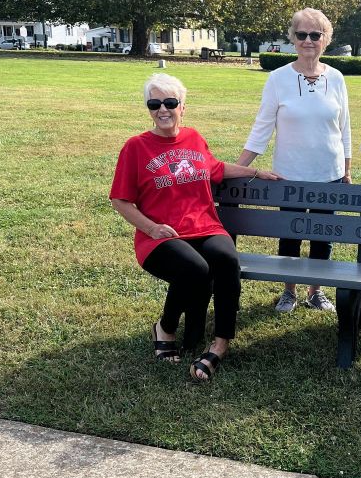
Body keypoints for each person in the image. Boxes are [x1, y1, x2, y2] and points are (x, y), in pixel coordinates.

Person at [110, 73, 279, 382]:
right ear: (148, 108)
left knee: (226, 260)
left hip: (204, 226)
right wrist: (152, 228)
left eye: (170, 102)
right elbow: (120, 200)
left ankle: (220, 343)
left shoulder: (194, 138)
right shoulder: (135, 147)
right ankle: (166, 327)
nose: (163, 109)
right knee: (194, 269)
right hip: (160, 237)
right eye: (155, 103)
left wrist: (254, 171)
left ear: (182, 107)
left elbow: (214, 168)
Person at [237, 8, 351, 313]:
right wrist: (237, 168)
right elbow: (261, 129)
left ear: (326, 39)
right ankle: (289, 291)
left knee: (322, 237)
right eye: (301, 35)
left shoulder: (337, 78)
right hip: (290, 176)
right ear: (293, 39)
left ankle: (316, 291)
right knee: (290, 234)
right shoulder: (278, 79)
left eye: (316, 35)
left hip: (330, 174)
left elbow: (345, 127)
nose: (308, 40)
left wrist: (347, 169)